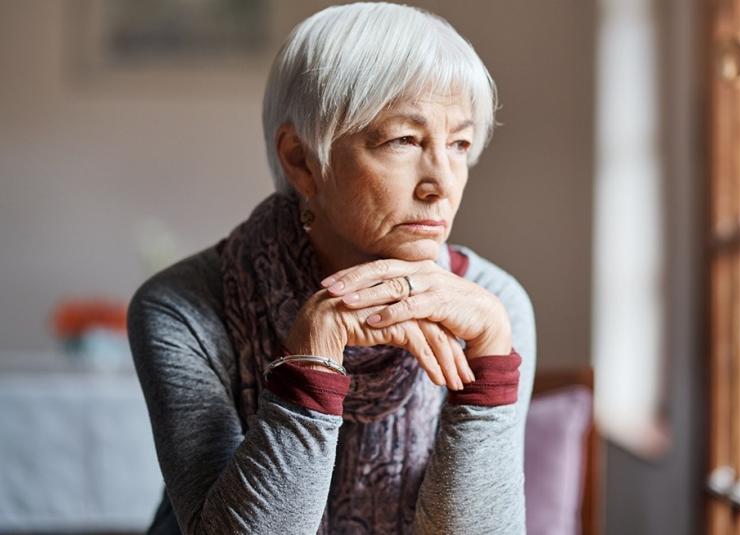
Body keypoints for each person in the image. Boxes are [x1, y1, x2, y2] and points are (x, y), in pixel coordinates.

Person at [127, 3, 536, 534]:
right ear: (302, 160)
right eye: (404, 140)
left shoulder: (490, 305)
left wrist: (491, 360)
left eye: (459, 143)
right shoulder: (183, 308)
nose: (441, 184)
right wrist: (313, 356)